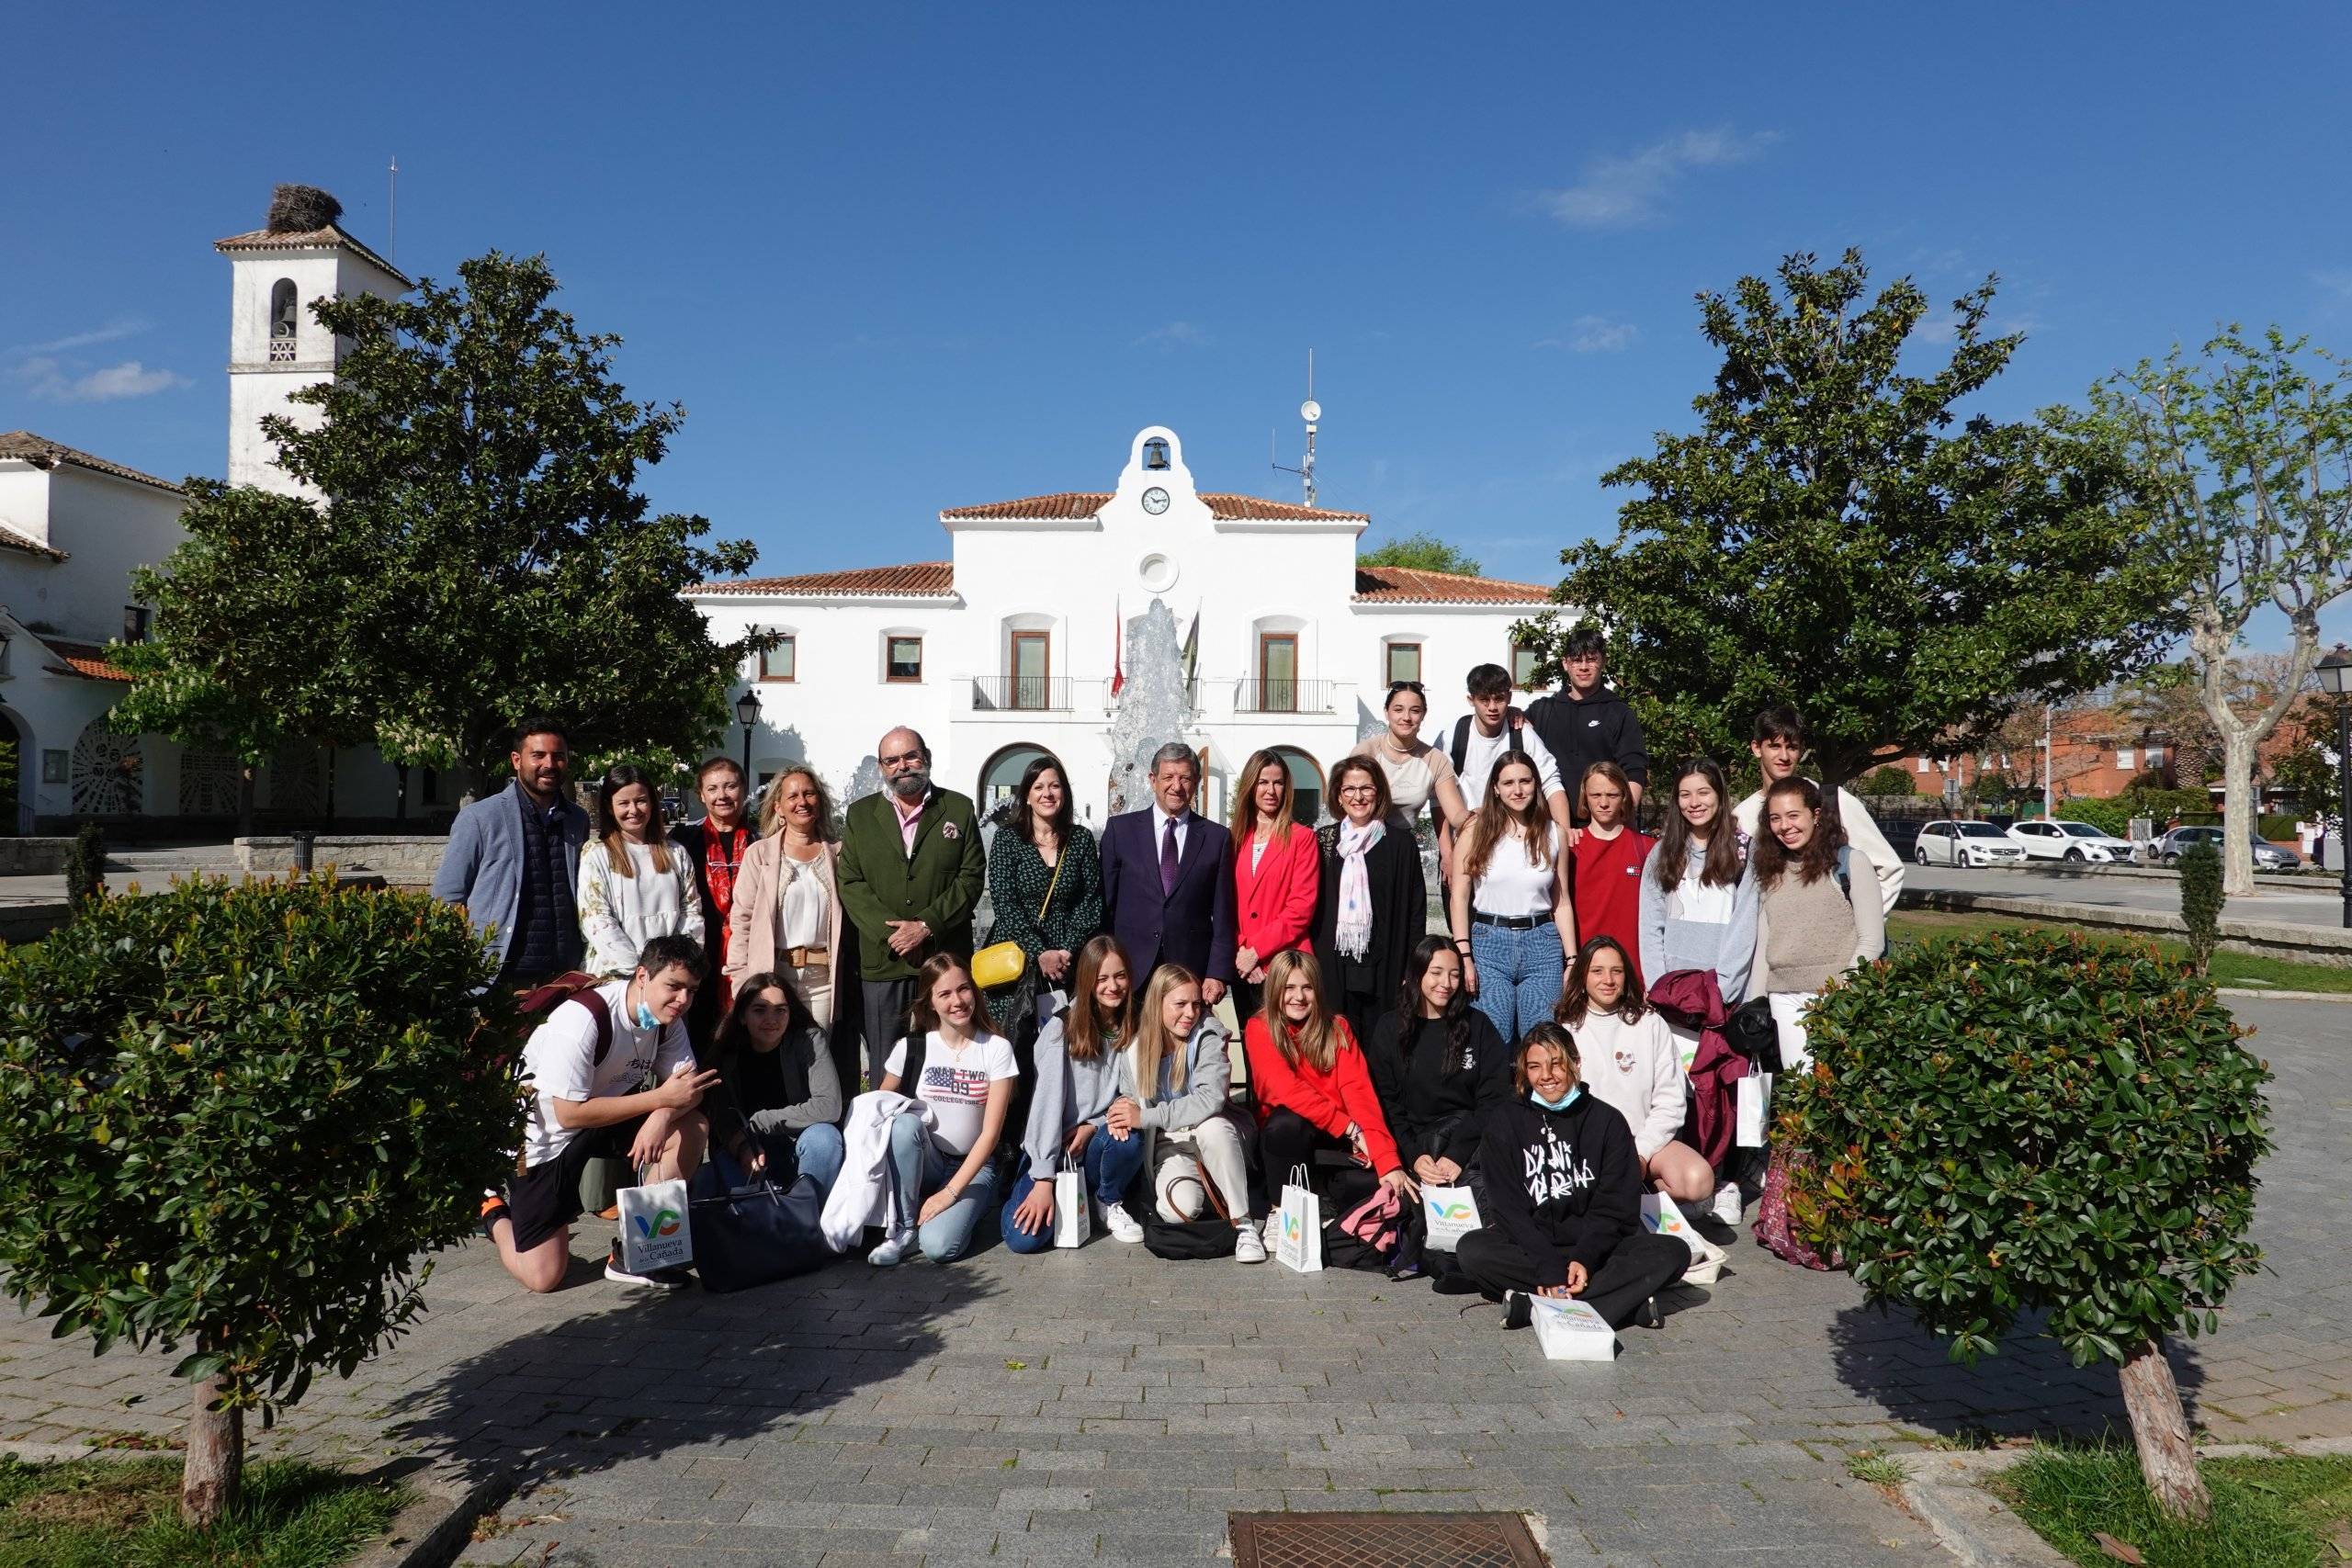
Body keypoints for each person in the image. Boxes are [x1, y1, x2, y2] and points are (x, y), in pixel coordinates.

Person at [481, 934, 719, 1292]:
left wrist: (661, 1115)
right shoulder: (582, 1020)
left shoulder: (667, 1018)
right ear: (642, 976)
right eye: (674, 986)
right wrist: (658, 1100)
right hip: (543, 1140)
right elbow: (569, 1115)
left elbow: (688, 1091)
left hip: (606, 1116)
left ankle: (636, 1253)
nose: (683, 1000)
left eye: (692, 990)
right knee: (543, 1278)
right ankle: (491, 1206)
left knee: (692, 1126)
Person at [1448, 1022, 1692, 1331]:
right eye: (1534, 1067)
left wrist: (1585, 1258)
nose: (1546, 1076)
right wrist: (1548, 1267)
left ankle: (1534, 1307)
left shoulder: (1608, 1122)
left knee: (1673, 1252)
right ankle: (1622, 1306)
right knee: (1472, 1250)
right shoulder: (1504, 1122)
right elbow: (1508, 1210)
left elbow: (1615, 1208)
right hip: (1530, 1248)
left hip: (1596, 1249)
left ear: (1575, 1064)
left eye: (1556, 1064)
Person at [837, 728, 987, 1085]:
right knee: (886, 1063)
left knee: (947, 1060)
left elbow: (971, 877)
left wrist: (925, 926)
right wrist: (895, 936)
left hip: (943, 961)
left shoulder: (959, 808)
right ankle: (883, 1134)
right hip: (884, 963)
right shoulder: (860, 815)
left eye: (910, 756)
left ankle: (945, 1137)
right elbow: (850, 882)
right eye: (892, 760)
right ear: (882, 768)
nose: (902, 766)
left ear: (927, 758)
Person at [1243, 949, 1415, 1244]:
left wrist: (1388, 1161)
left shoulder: (1337, 1028)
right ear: (1275, 990)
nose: (1298, 997)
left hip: (1336, 1138)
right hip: (1289, 1141)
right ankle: (1279, 1211)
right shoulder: (1259, 1028)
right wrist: (1350, 1128)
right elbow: (1283, 1089)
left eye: (1307, 987)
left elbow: (1360, 1095)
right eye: (1289, 988)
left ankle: (1324, 1203)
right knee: (1286, 1123)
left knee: (1381, 1185)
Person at [1001, 936, 1150, 1252]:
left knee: (1127, 1136)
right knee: (1024, 1239)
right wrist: (1043, 1178)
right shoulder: (1063, 1029)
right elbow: (1046, 1104)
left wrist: (1093, 1125)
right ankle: (1045, 1191)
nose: (1113, 986)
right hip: (1054, 1149)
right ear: (1087, 980)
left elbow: (1131, 1092)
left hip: (1096, 1143)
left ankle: (1107, 1199)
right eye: (1102, 978)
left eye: (1120, 976)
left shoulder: (1134, 1025)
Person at [1109, 962, 1265, 1262]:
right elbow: (1130, 1099)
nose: (1190, 1013)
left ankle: (1244, 1225)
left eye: (1195, 1004)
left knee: (1212, 1127)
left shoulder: (1208, 1032)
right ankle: (1218, 1186)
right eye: (1180, 1004)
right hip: (1173, 1147)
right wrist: (1120, 1111)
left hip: (1216, 1135)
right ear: (1157, 1004)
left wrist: (1145, 1117)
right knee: (1176, 1212)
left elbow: (1209, 1100)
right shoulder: (1134, 1048)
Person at [872, 956, 1018, 1265]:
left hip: (974, 1166)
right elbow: (877, 1110)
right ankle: (904, 1226)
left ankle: (961, 1212)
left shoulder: (996, 1048)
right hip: (926, 1161)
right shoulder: (911, 1047)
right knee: (902, 1125)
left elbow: (991, 1135)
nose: (958, 1001)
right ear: (931, 1003)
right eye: (945, 994)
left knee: (939, 1247)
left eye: (964, 989)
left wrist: (949, 1194)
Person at [726, 765, 857, 1105]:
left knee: (814, 1057)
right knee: (773, 1056)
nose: (802, 801)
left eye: (809, 793)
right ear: (778, 807)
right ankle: (772, 1134)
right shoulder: (760, 855)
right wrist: (741, 980)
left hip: (822, 979)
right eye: (793, 795)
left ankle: (812, 1135)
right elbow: (740, 919)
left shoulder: (838, 853)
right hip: (774, 975)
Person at [432, 716, 591, 986]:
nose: (549, 765)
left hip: (563, 976)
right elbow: (448, 897)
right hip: (501, 976)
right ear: (517, 760)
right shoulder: (480, 818)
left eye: (558, 756)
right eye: (538, 755)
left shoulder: (577, 819)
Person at [1556, 937, 1713, 1206]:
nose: (1608, 979)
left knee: (1698, 1180)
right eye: (1597, 971)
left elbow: (1671, 1101)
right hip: (1588, 1147)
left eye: (1616, 971)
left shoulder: (1650, 1023)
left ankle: (1644, 1195)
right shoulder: (1566, 1029)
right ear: (1582, 976)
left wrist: (1638, 1153)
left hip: (1644, 1146)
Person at [1750, 777, 1887, 1066]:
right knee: (1802, 1090)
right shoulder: (1769, 871)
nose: (1785, 826)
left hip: (1837, 997)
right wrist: (1755, 1001)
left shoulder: (1849, 863)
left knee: (1839, 1090)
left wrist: (1840, 993)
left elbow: (1871, 940)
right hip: (1784, 998)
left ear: (1815, 815)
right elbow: (1765, 941)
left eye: (1793, 815)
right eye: (1775, 818)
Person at [1447, 751, 1575, 1045]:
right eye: (1508, 783)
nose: (1517, 790)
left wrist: (1571, 960)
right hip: (1489, 944)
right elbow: (1459, 896)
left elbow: (1562, 901)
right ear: (1495, 787)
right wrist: (1464, 954)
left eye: (1525, 781)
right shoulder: (1474, 830)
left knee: (1542, 1042)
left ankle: (1535, 1093)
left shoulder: (1554, 832)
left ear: (1536, 783)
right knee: (1493, 1040)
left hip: (1542, 945)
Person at [1363, 936, 1509, 1195]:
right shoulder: (1390, 1028)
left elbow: (1494, 1098)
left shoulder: (1478, 1025)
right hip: (1414, 1146)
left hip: (1466, 1142)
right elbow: (1387, 1103)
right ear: (1418, 974)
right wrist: (1414, 1155)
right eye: (1436, 973)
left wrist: (1457, 1154)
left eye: (1454, 975)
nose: (1446, 984)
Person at [1731, 705, 1904, 916]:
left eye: (1792, 747)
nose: (1784, 756)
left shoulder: (1834, 801)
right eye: (1775, 746)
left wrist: (1858, 927)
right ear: (1757, 748)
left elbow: (1889, 869)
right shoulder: (1742, 816)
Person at [1099, 742, 1238, 1005]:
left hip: (1189, 972)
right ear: (1153, 780)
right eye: (1168, 777)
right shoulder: (1121, 831)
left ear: (1196, 782)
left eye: (1185, 778)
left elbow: (1223, 914)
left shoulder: (1216, 837)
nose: (1176, 786)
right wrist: (1103, 967)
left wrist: (1217, 973)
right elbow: (1105, 905)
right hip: (1129, 971)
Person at [981, 751, 1105, 1034]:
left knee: (1064, 1043)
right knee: (1014, 1044)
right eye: (1038, 787)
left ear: (1064, 793)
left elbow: (1091, 903)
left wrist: (1064, 951)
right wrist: (1039, 952)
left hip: (1067, 963)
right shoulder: (1008, 838)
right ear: (1026, 796)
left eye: (1054, 786)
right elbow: (1004, 902)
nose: (1047, 794)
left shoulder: (1080, 840)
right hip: (1017, 958)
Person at [1311, 757, 1426, 1043]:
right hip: (1334, 962)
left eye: (1366, 788)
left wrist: (1411, 967)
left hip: (1386, 962)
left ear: (1379, 792)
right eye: (1349, 789)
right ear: (1338, 795)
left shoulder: (1400, 843)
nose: (1358, 797)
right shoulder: (1324, 841)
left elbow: (1415, 908)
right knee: (1337, 1044)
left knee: (1382, 1044)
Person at [701, 971, 847, 1195]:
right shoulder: (726, 1052)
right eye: (760, 1010)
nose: (772, 1019)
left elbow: (829, 1106)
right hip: (749, 1149)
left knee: (824, 1139)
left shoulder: (809, 1040)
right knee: (705, 1183)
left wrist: (761, 1121)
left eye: (781, 1010)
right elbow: (723, 1119)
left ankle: (810, 1223)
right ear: (742, 1016)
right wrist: (743, 1147)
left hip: (799, 1143)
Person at [1637, 758, 1758, 1006]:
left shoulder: (1744, 851)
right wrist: (1660, 986)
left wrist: (1720, 991)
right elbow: (1650, 927)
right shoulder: (1662, 853)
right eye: (1685, 795)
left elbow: (1745, 928)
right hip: (1673, 994)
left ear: (1720, 795)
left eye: (1703, 793)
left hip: (1725, 997)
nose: (1694, 803)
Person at [577, 764, 706, 979]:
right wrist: (638, 972)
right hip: (616, 976)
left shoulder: (676, 853)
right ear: (610, 807)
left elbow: (691, 911)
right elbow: (596, 918)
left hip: (668, 978)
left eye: (641, 801)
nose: (633, 810)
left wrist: (671, 969)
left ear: (652, 803)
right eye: (624, 803)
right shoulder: (596, 854)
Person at [1228, 748, 1321, 1024]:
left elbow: (1301, 909)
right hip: (1244, 967)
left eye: (1278, 783)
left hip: (1286, 966)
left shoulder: (1302, 839)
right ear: (1250, 786)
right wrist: (1242, 953)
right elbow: (1224, 906)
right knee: (1252, 1053)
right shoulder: (1234, 839)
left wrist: (1257, 951)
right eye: (1263, 782)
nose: (1271, 790)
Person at [1524, 626, 1650, 824]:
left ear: (1603, 662)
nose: (1584, 667)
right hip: (1550, 828)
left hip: (1604, 829)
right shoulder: (1541, 711)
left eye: (1591, 659)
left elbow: (1634, 771)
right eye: (1576, 660)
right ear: (1565, 663)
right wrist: (1512, 713)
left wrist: (1620, 820)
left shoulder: (1619, 712)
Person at [672, 757, 756, 1045]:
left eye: (730, 786)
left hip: (748, 954)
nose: (722, 795)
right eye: (713, 788)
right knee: (697, 1039)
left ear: (744, 790)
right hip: (699, 956)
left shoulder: (763, 841)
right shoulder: (683, 840)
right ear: (701, 795)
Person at [1446, 662, 1571, 829]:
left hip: (1516, 837)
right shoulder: (1454, 735)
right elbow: (1437, 796)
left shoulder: (1521, 732)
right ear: (1471, 700)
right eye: (1484, 700)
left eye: (1499, 699)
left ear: (1509, 698)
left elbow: (1551, 783)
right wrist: (1446, 852)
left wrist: (1563, 835)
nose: (1492, 707)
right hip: (1469, 835)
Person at [1570, 762, 1656, 992]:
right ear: (1585, 798)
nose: (1604, 803)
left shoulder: (1647, 848)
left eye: (1612, 794)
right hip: (1585, 970)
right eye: (1596, 795)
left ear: (1624, 797)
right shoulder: (1571, 848)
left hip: (1634, 974)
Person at [1349, 681, 1470, 841]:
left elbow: (1456, 815)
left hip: (1403, 845)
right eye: (1398, 710)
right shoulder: (1366, 752)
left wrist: (1481, 816)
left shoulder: (1435, 759)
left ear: (1423, 714)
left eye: (1415, 711)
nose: (1406, 717)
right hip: (1361, 839)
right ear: (1387, 712)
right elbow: (1346, 800)